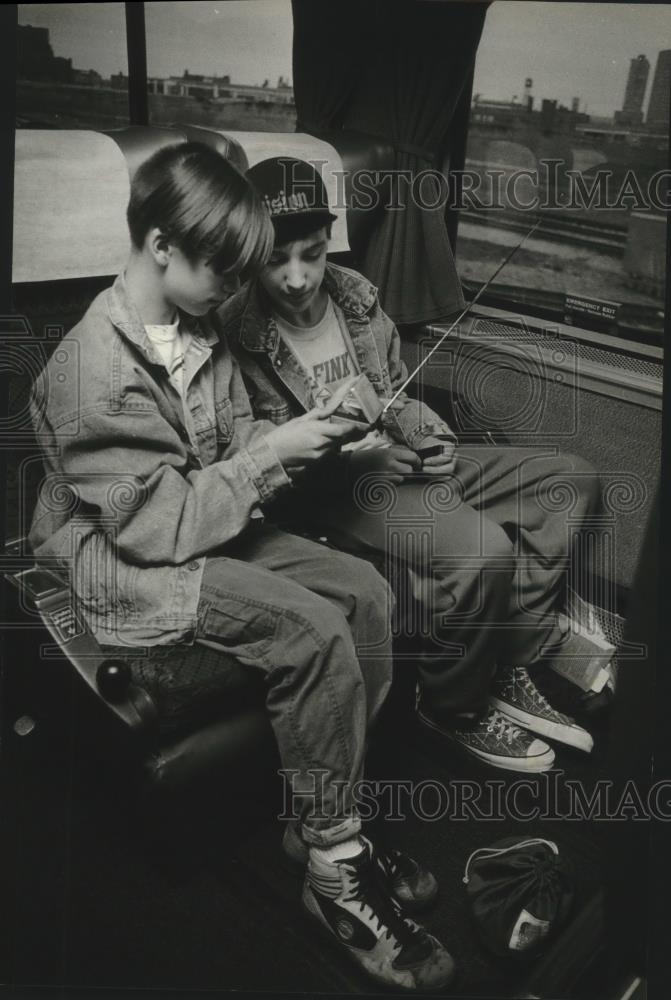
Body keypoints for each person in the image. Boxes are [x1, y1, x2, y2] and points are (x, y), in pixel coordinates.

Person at [28, 142, 456, 992]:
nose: (238, 288)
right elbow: (157, 525)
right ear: (159, 245)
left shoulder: (197, 328)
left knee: (366, 594)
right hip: (123, 562)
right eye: (222, 270)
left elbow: (227, 453)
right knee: (311, 627)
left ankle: (326, 816)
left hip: (204, 522)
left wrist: (312, 428)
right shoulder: (90, 370)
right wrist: (278, 454)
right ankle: (333, 869)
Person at [221, 155, 605, 775]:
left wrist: (429, 434)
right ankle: (454, 705)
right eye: (275, 260)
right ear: (249, 254)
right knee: (483, 552)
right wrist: (352, 454)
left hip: (398, 461)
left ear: (328, 244)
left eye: (312, 254)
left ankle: (505, 657)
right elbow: (247, 452)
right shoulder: (234, 329)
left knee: (569, 480)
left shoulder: (355, 298)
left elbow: (397, 391)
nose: (296, 278)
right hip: (334, 488)